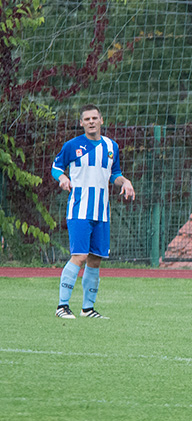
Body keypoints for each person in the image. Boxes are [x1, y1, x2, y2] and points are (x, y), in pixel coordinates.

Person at [53, 104, 135, 319]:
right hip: (79, 210)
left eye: (94, 118)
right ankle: (62, 306)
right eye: (87, 119)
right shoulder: (72, 145)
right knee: (79, 256)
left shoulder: (111, 146)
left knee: (95, 259)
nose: (91, 122)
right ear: (81, 123)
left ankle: (87, 309)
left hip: (102, 212)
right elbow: (56, 167)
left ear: (101, 120)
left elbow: (114, 174)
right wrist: (62, 178)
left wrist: (125, 181)